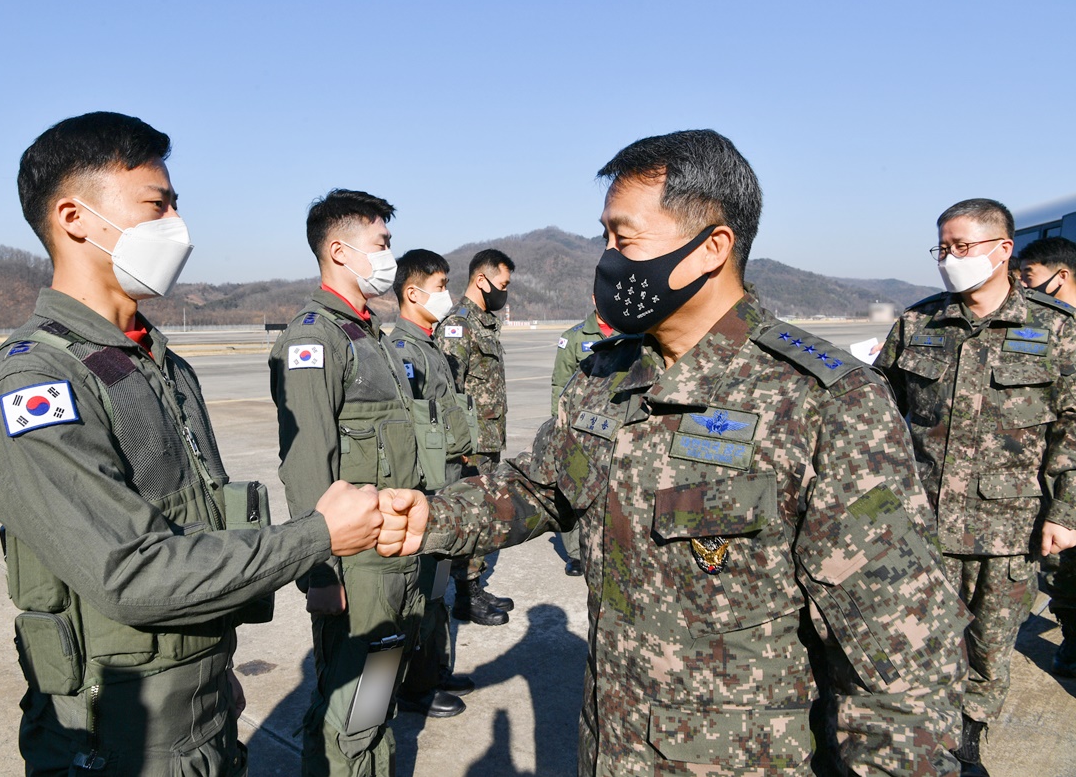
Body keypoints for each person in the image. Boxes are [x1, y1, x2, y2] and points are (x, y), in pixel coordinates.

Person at [378, 128, 969, 776]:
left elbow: (904, 662)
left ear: (711, 246)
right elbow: (539, 487)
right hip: (610, 748)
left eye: (622, 238)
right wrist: (431, 517)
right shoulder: (605, 375)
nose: (606, 258)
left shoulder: (824, 400)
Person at [0, 112, 384, 776]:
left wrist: (214, 673)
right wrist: (318, 535)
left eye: (176, 203)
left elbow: (196, 523)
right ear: (74, 218)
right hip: (119, 736)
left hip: (200, 714)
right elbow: (135, 573)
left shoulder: (158, 361)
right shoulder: (35, 383)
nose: (177, 223)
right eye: (157, 205)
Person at [876, 200, 1076, 776]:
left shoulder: (1055, 329)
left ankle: (968, 745)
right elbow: (875, 415)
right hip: (919, 522)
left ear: (1003, 249)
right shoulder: (917, 324)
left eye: (962, 247)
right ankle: (919, 742)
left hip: (1006, 527)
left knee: (988, 649)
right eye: (943, 248)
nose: (949, 259)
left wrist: (1065, 511)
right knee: (916, 645)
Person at [268, 189, 426, 776]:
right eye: (381, 243)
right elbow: (307, 460)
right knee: (352, 709)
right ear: (339, 250)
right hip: (355, 568)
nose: (389, 254)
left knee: (374, 698)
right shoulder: (315, 337)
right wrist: (319, 571)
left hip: (391, 559)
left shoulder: (368, 333)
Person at [387, 248, 481, 718]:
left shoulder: (428, 345)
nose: (447, 295)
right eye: (441, 287)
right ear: (413, 292)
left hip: (446, 481)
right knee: (421, 589)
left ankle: (434, 668)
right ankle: (414, 685)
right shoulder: (402, 351)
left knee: (439, 583)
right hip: (427, 486)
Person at [435, 249, 516, 625]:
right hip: (470, 447)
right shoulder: (458, 326)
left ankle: (474, 586)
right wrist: (462, 448)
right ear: (481, 280)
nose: (505, 292)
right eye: (502, 284)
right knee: (469, 516)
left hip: (488, 442)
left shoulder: (483, 323)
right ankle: (465, 595)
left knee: (484, 516)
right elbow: (448, 393)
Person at [1018, 236, 1076, 676]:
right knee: (1062, 569)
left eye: (1030, 278)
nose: (1024, 286)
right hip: (1063, 469)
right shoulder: (1039, 328)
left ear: (1063, 275)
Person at [549, 305, 614, 577]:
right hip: (578, 428)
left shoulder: (631, 331)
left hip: (612, 427)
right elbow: (559, 384)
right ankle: (575, 554)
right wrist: (558, 424)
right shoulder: (574, 337)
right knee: (574, 489)